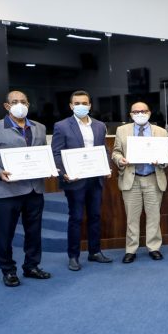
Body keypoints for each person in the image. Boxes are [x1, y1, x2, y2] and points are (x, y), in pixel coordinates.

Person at [0, 90, 52, 287]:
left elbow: (43, 154)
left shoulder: (40, 128)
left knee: (34, 231)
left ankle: (32, 266)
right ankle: (8, 270)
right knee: (5, 233)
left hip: (35, 189)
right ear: (7, 106)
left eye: (24, 101)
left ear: (28, 104)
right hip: (7, 191)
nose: (20, 104)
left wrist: (49, 167)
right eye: (15, 101)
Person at [51, 90, 113, 271]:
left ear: (90, 105)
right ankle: (73, 256)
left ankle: (95, 252)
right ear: (71, 106)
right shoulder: (61, 126)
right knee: (76, 218)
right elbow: (56, 153)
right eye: (77, 103)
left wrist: (107, 166)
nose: (81, 106)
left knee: (95, 216)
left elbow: (104, 150)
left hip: (95, 178)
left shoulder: (100, 126)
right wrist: (64, 172)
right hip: (75, 179)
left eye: (84, 103)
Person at [111, 101, 168, 263]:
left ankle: (154, 247)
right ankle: (131, 250)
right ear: (130, 115)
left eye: (143, 111)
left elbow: (167, 156)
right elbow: (116, 151)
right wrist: (119, 160)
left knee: (153, 216)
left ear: (150, 113)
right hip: (131, 178)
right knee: (132, 218)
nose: (140, 114)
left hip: (153, 178)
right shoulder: (122, 131)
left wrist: (161, 161)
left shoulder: (161, 131)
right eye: (136, 112)